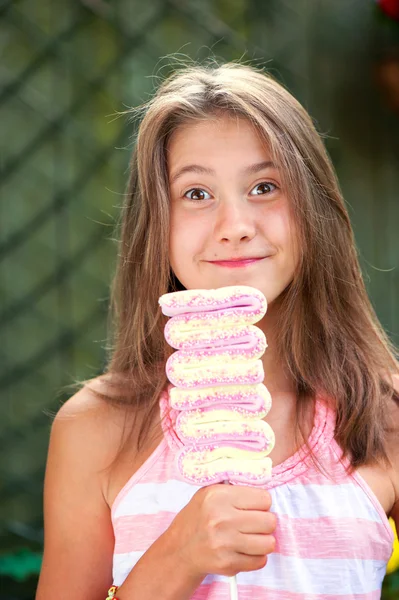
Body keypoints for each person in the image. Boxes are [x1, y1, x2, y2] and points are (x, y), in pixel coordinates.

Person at [36, 60, 399, 600]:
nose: (234, 228)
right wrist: (178, 555)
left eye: (264, 186)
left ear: (313, 207)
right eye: (196, 194)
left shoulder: (384, 413)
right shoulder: (95, 428)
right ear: (155, 226)